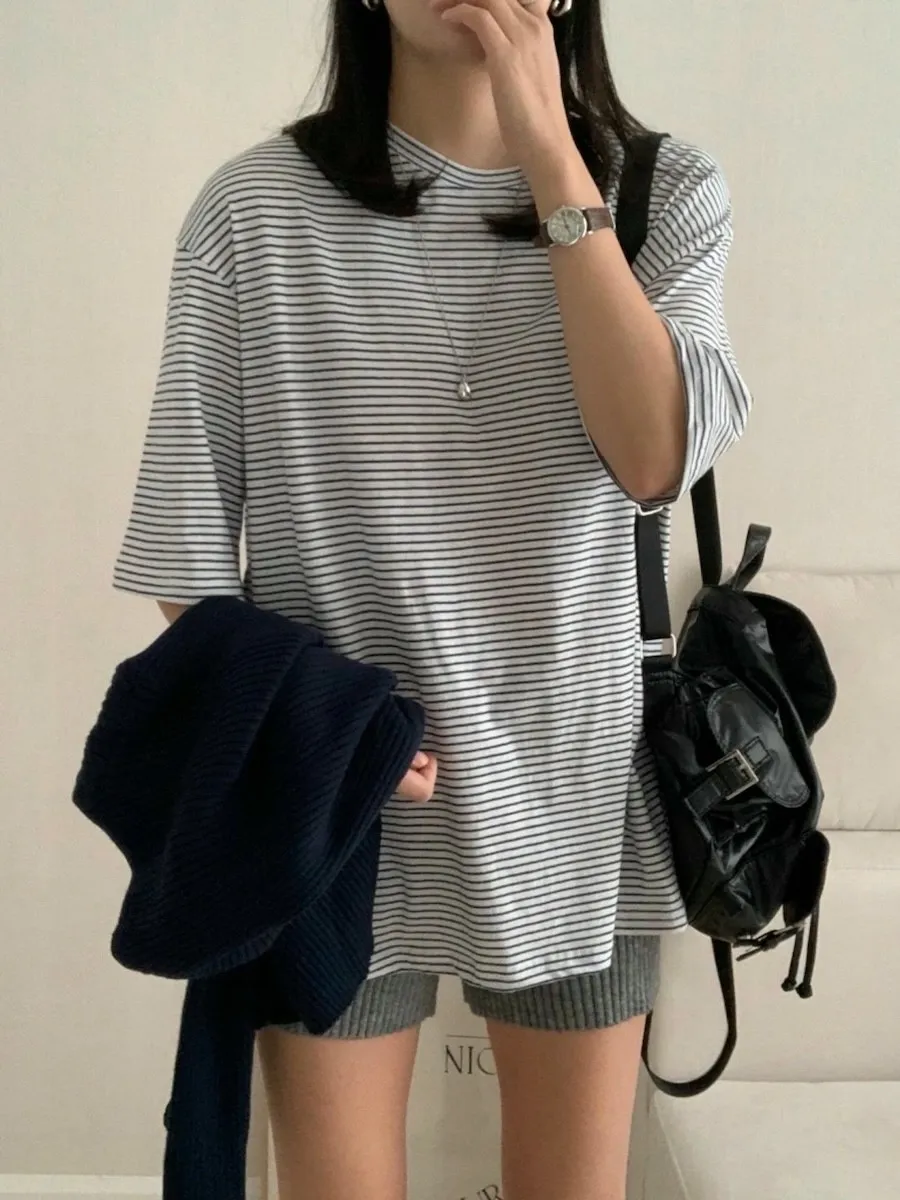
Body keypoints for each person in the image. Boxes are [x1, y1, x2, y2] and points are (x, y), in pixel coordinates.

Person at [113, 0, 752, 1196]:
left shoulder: (666, 192)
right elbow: (183, 556)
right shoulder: (253, 212)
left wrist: (549, 147)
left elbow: (655, 457)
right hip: (333, 806)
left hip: (577, 798)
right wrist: (329, 733)